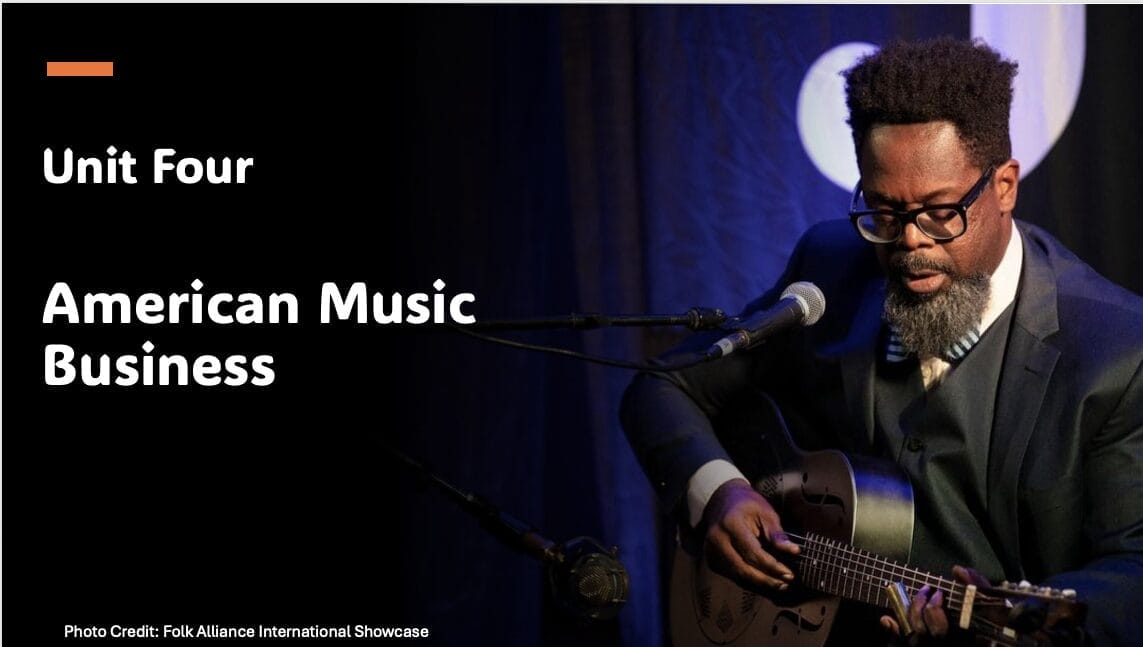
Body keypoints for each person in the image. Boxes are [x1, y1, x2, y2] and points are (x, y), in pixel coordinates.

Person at [621, 37, 1143, 645]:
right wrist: (719, 492)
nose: (910, 242)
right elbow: (665, 386)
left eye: (941, 212)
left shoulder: (1115, 352)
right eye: (884, 212)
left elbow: (1133, 570)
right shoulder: (830, 265)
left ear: (1004, 187)